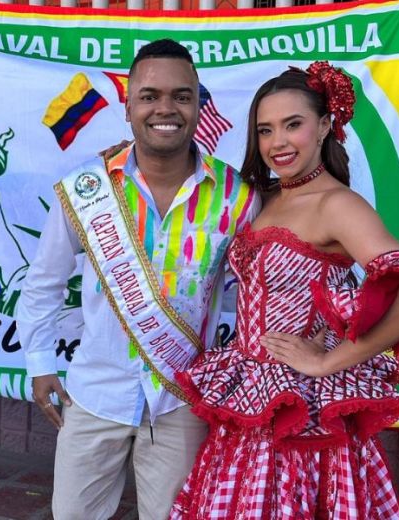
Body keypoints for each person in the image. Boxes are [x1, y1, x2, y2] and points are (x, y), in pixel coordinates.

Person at [17, 39, 258, 519]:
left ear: (198, 104)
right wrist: (41, 362)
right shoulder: (87, 188)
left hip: (182, 402)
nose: (165, 108)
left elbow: (254, 294)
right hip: (94, 394)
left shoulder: (238, 197)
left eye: (181, 96)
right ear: (128, 108)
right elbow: (43, 282)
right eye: (149, 96)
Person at [170, 62, 399, 518]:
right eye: (265, 129)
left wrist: (330, 360)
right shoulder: (268, 195)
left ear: (325, 127)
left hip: (301, 408)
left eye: (292, 125)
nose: (277, 142)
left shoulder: (337, 204)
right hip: (250, 392)